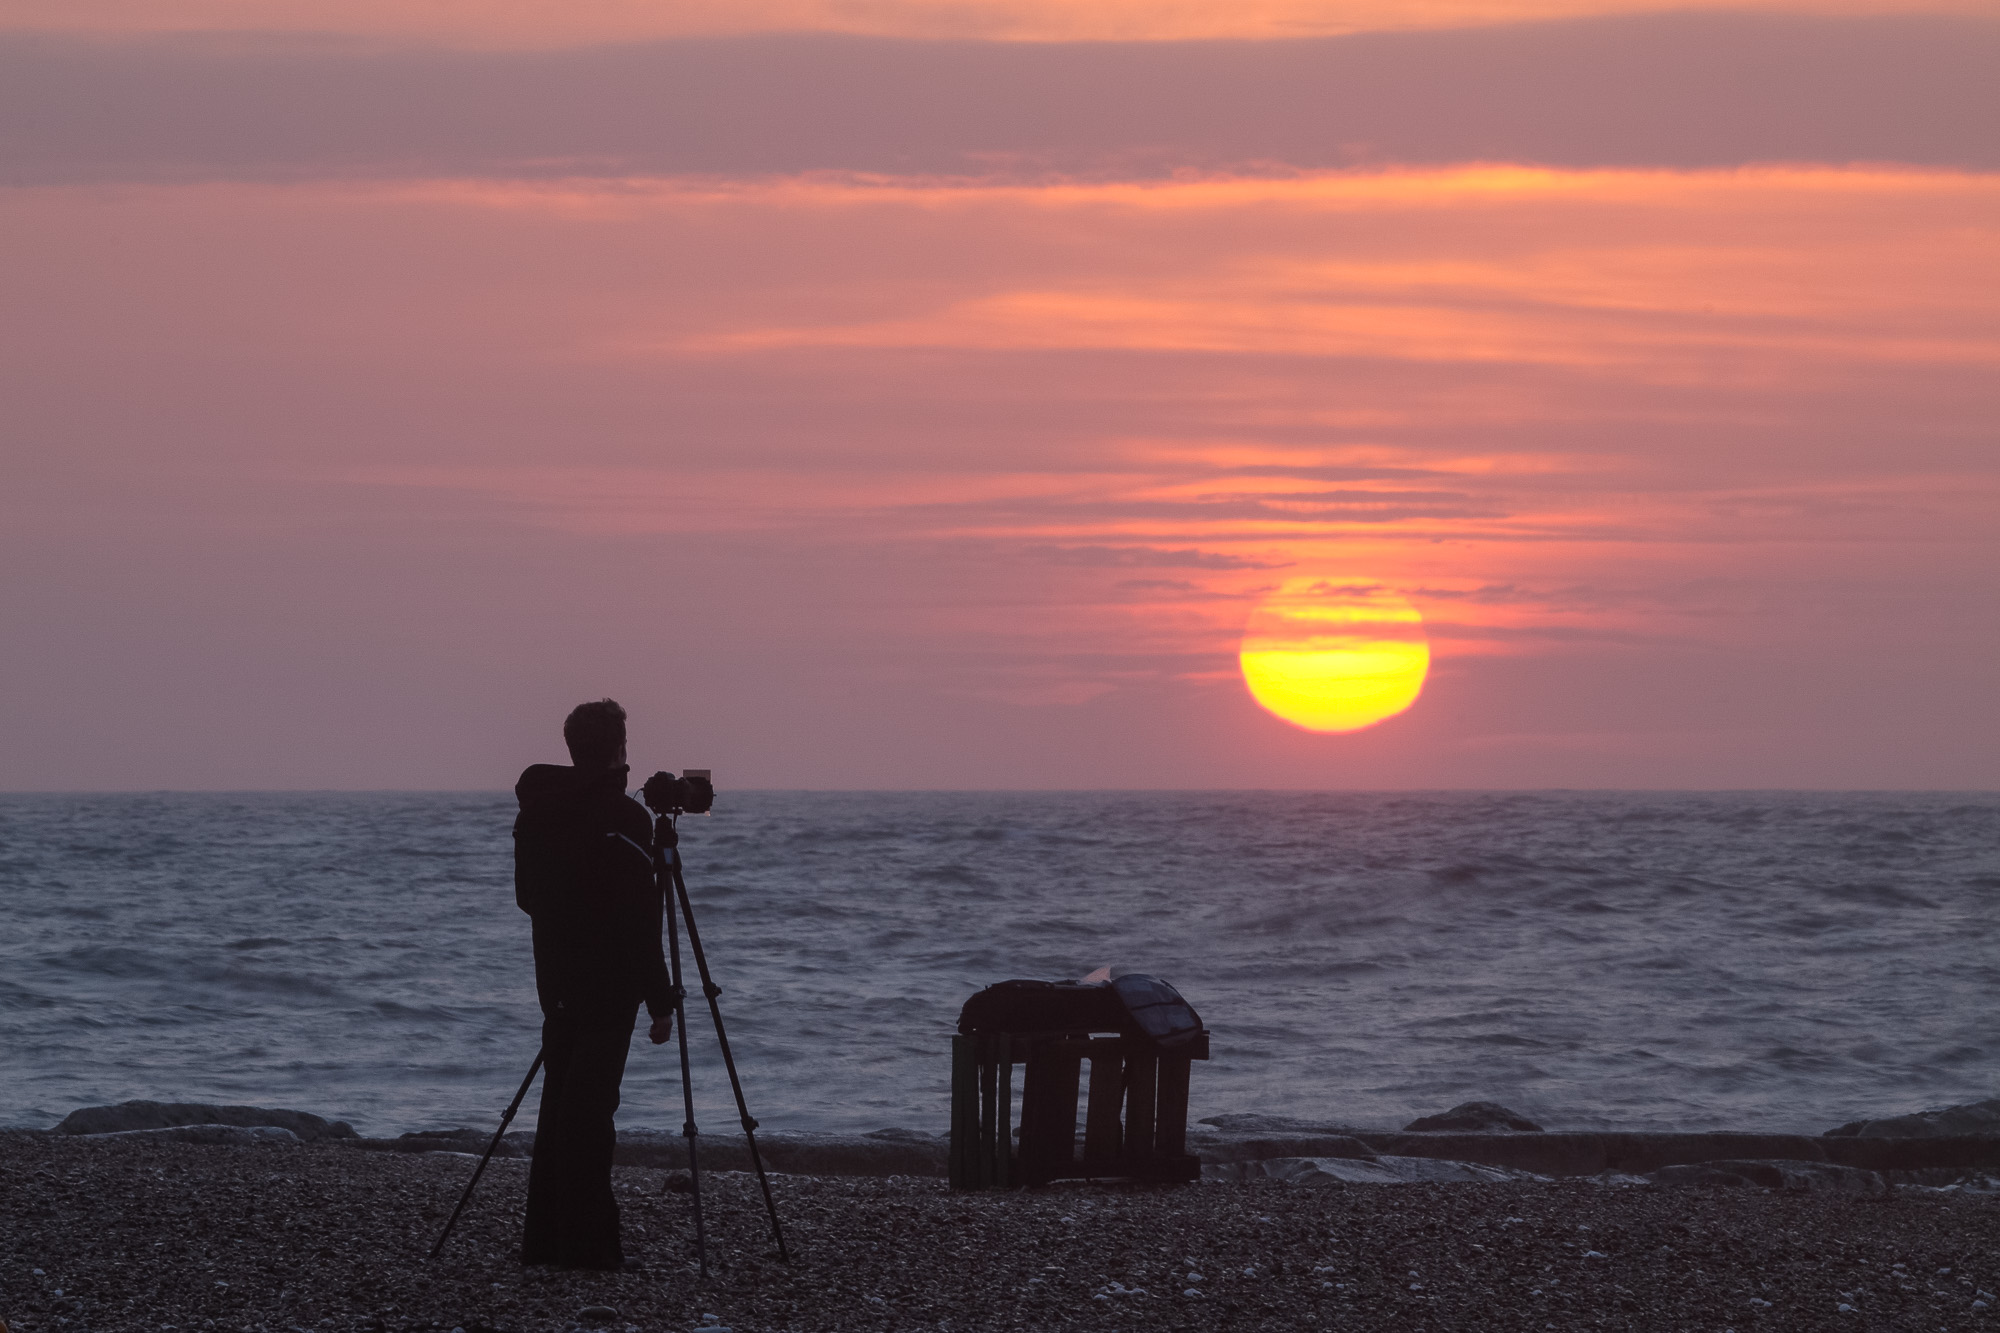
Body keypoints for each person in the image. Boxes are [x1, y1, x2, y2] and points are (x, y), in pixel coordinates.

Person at [513, 698, 675, 1270]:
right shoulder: (624, 819)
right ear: (617, 751)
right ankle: (588, 1249)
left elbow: (526, 899)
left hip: (555, 982)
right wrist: (662, 1001)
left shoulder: (537, 812)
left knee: (560, 1108)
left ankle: (545, 1243)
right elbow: (640, 921)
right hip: (608, 990)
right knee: (590, 1116)